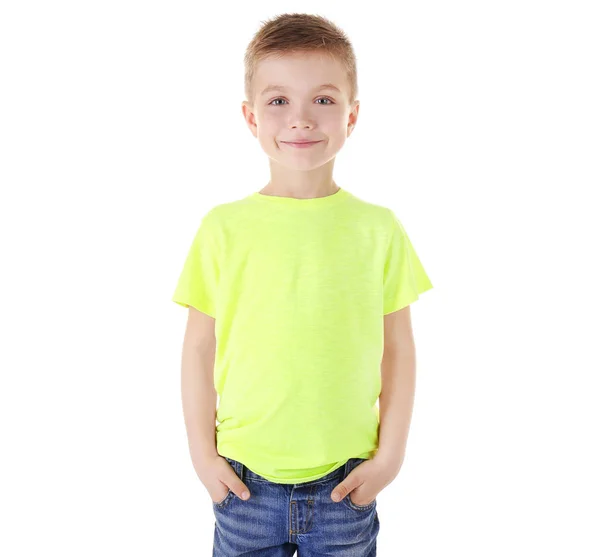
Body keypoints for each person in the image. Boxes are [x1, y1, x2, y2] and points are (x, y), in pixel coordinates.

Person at [172, 12, 433, 556]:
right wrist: (203, 455)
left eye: (323, 100)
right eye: (278, 101)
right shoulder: (222, 227)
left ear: (352, 114)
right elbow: (199, 347)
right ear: (250, 116)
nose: (300, 119)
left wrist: (390, 456)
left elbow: (399, 351)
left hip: (345, 484)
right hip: (242, 483)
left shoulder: (378, 228)